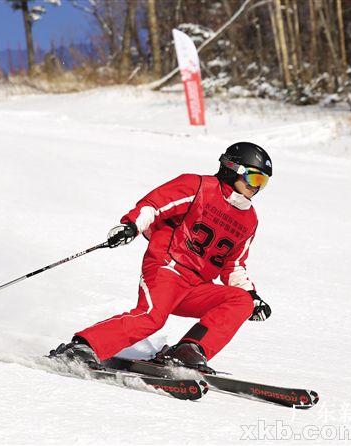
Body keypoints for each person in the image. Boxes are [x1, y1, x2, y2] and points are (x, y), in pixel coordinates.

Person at [50, 142, 273, 373]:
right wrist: (132, 226)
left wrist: (251, 296)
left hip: (197, 286)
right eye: (255, 179)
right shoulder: (198, 187)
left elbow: (234, 263)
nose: (257, 188)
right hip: (167, 269)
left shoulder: (249, 219)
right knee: (152, 318)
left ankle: (188, 352)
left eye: (263, 183)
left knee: (240, 302)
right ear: (231, 168)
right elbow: (154, 206)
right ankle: (84, 347)